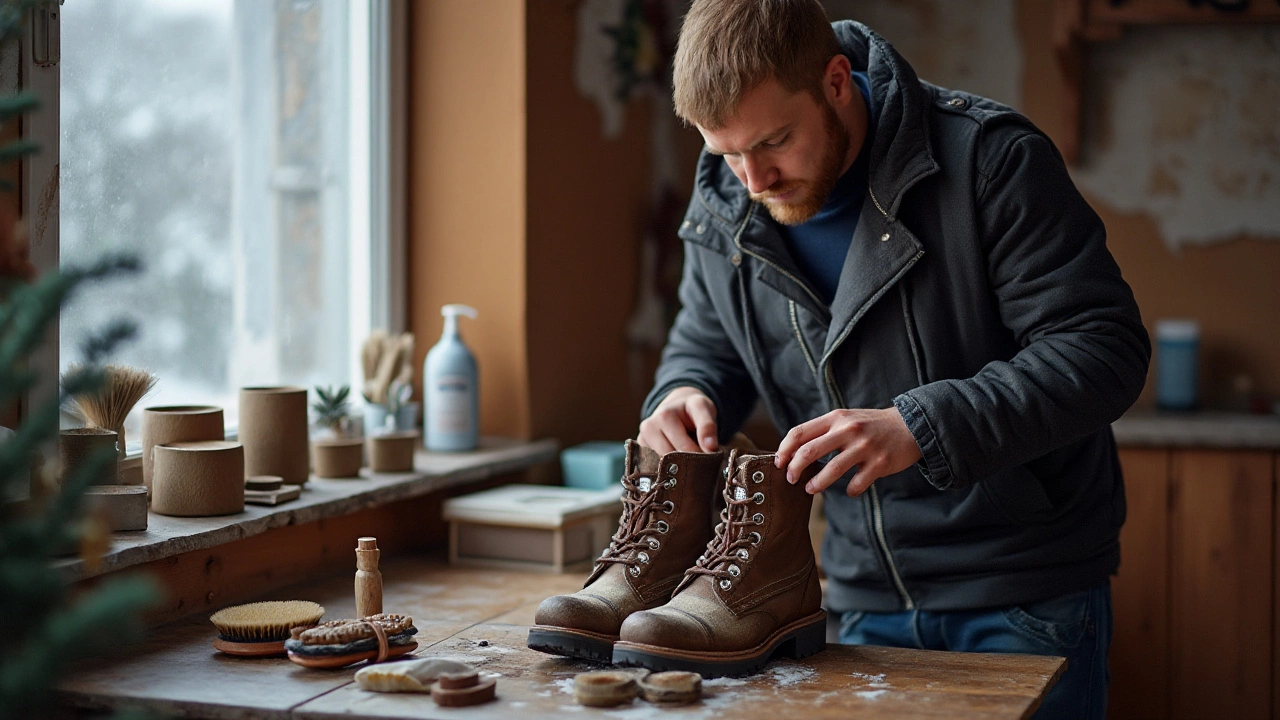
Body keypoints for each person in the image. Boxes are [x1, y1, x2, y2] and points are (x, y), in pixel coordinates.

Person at [636, 1, 1149, 717]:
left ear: (837, 81)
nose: (753, 179)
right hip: (853, 600)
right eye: (728, 153)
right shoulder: (728, 197)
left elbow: (1103, 350)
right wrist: (679, 392)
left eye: (776, 141)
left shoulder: (991, 161)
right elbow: (704, 340)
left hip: (1021, 597)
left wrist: (921, 426)